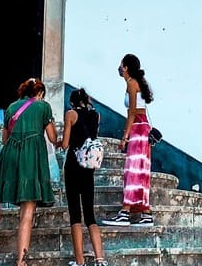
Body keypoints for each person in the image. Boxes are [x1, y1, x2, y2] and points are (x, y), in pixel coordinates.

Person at [0, 78, 58, 265]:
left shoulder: (11, 108)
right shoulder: (44, 107)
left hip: (10, 153)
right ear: (40, 93)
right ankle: (21, 260)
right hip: (31, 157)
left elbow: (4, 139)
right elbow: (52, 137)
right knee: (27, 209)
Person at [61, 87, 108, 266]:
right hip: (89, 167)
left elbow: (65, 144)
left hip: (73, 165)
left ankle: (79, 261)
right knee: (90, 215)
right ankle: (100, 258)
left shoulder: (71, 114)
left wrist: (58, 142)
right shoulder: (96, 115)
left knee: (75, 214)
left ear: (72, 102)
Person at [106, 54, 154, 226]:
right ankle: (145, 212)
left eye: (121, 65)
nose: (120, 68)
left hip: (138, 128)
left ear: (125, 67)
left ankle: (126, 211)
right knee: (140, 170)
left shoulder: (131, 83)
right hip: (143, 128)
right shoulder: (136, 83)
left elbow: (132, 112)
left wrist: (125, 136)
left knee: (133, 169)